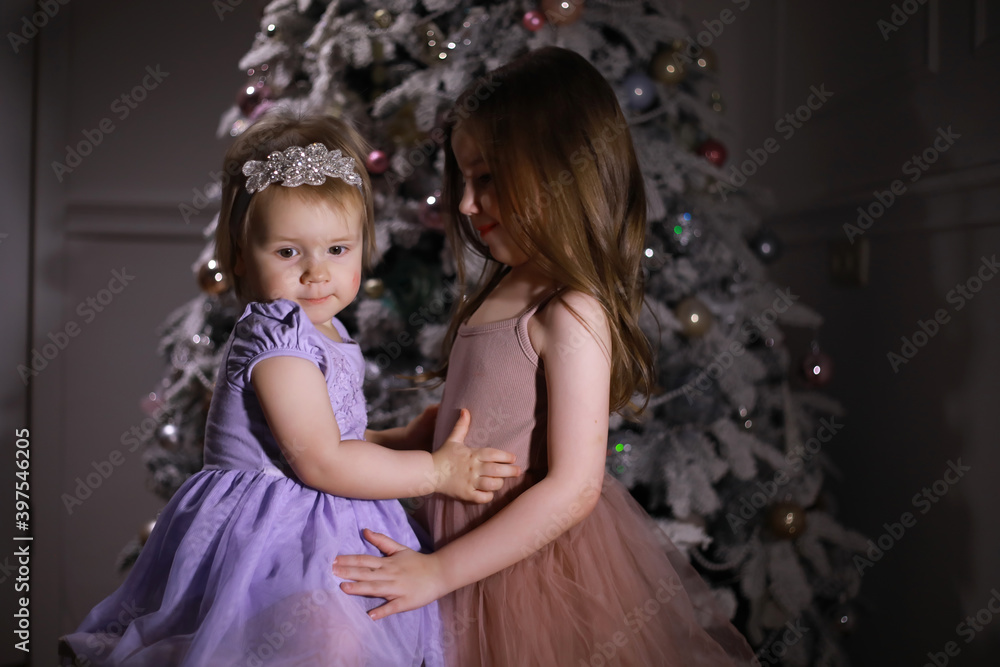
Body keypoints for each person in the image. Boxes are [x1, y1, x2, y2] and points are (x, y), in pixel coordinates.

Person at [331, 47, 760, 666]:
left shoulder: (571, 310)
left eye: (487, 179)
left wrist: (440, 572)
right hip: (454, 545)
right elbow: (450, 432)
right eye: (464, 180)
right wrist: (355, 446)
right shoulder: (501, 290)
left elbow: (573, 488)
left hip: (522, 571)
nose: (466, 204)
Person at [59, 112, 521, 667]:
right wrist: (437, 471)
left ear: (362, 248)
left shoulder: (325, 327)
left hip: (320, 516)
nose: (315, 273)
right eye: (287, 252)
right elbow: (321, 460)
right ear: (238, 261)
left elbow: (326, 433)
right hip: (275, 538)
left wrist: (399, 438)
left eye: (337, 250)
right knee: (307, 645)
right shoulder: (278, 340)